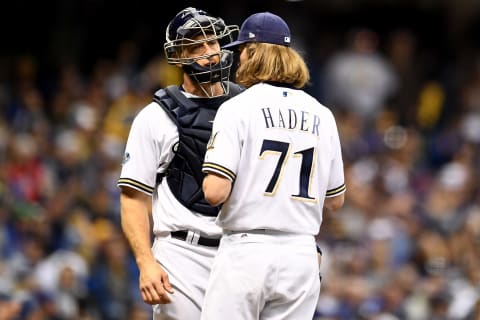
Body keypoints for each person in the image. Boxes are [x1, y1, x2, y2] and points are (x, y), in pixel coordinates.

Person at [201, 12, 346, 320]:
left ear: (254, 52)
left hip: (247, 250)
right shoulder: (322, 114)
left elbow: (214, 191)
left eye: (241, 51)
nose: (238, 59)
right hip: (301, 254)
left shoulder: (237, 108)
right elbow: (335, 200)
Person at [117, 7, 243, 319]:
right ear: (178, 56)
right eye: (197, 46)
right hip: (181, 255)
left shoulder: (247, 107)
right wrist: (146, 263)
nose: (209, 52)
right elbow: (133, 198)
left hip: (240, 251)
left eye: (212, 43)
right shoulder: (155, 117)